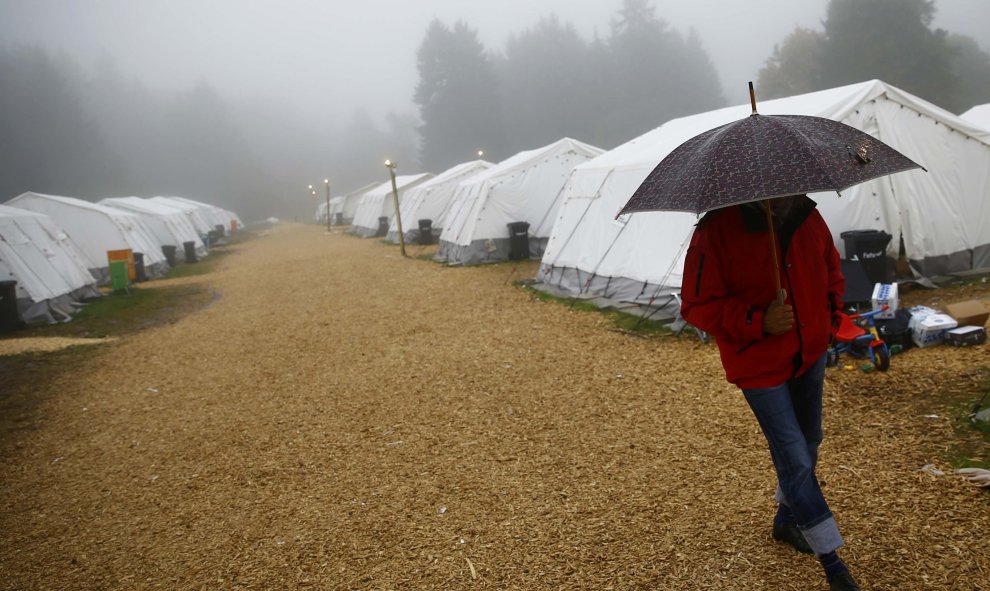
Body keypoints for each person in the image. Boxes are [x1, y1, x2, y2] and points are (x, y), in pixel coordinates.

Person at [680, 195, 860, 591]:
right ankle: (833, 563)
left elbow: (832, 271)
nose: (781, 196)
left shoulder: (808, 216)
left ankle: (786, 519)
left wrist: (827, 322)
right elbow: (696, 305)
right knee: (795, 457)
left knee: (810, 442)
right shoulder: (717, 231)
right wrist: (758, 320)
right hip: (759, 365)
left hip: (810, 353)